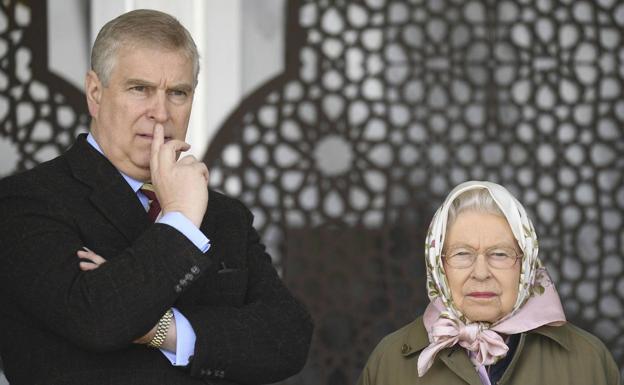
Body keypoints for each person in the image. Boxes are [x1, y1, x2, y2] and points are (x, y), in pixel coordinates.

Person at [0, 9, 312, 385]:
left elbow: (289, 339)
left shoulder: (225, 215)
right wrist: (179, 221)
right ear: (95, 93)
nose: (160, 113)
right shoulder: (26, 200)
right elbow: (97, 319)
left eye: (177, 93)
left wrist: (163, 329)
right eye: (140, 89)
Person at [358, 181, 620, 385]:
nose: (481, 273)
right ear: (439, 266)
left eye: (499, 254)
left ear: (525, 265)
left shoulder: (587, 361)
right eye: (462, 254)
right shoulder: (390, 362)